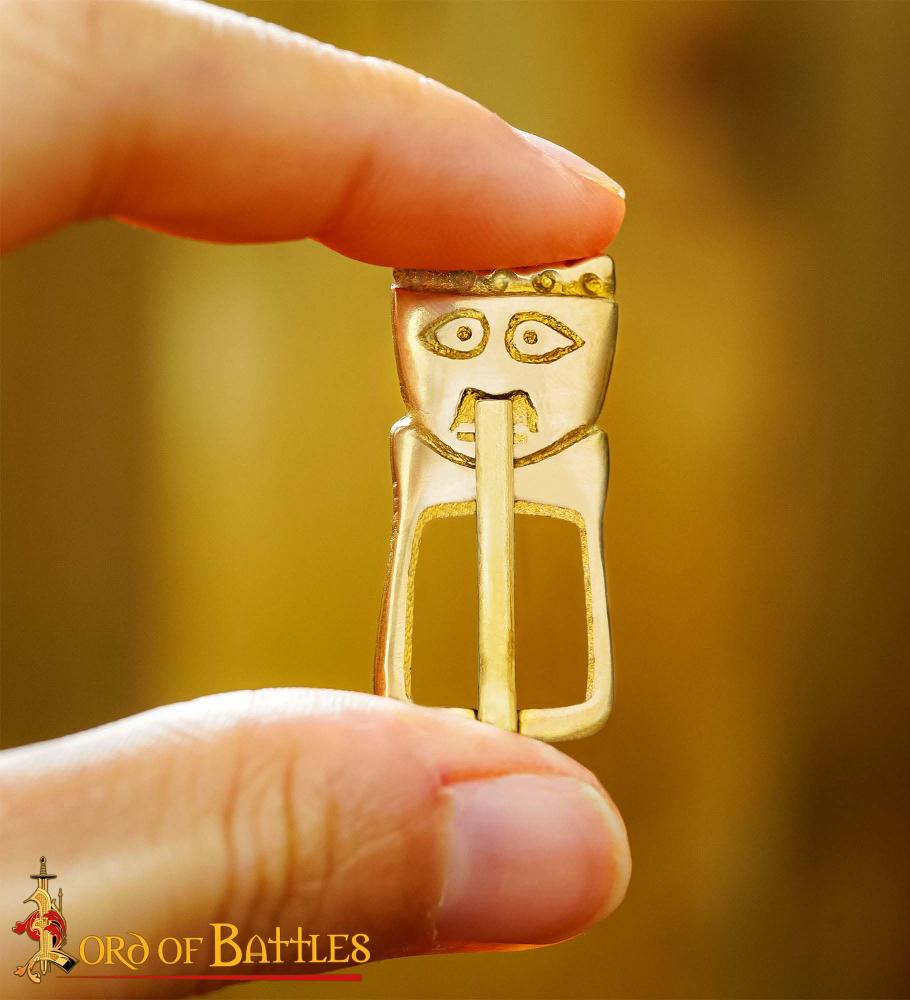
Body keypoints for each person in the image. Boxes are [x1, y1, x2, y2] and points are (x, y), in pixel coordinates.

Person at [0, 1, 630, 993]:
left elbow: (580, 592)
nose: (495, 379)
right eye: (457, 339)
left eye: (540, 344)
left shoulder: (575, 455)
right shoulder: (421, 448)